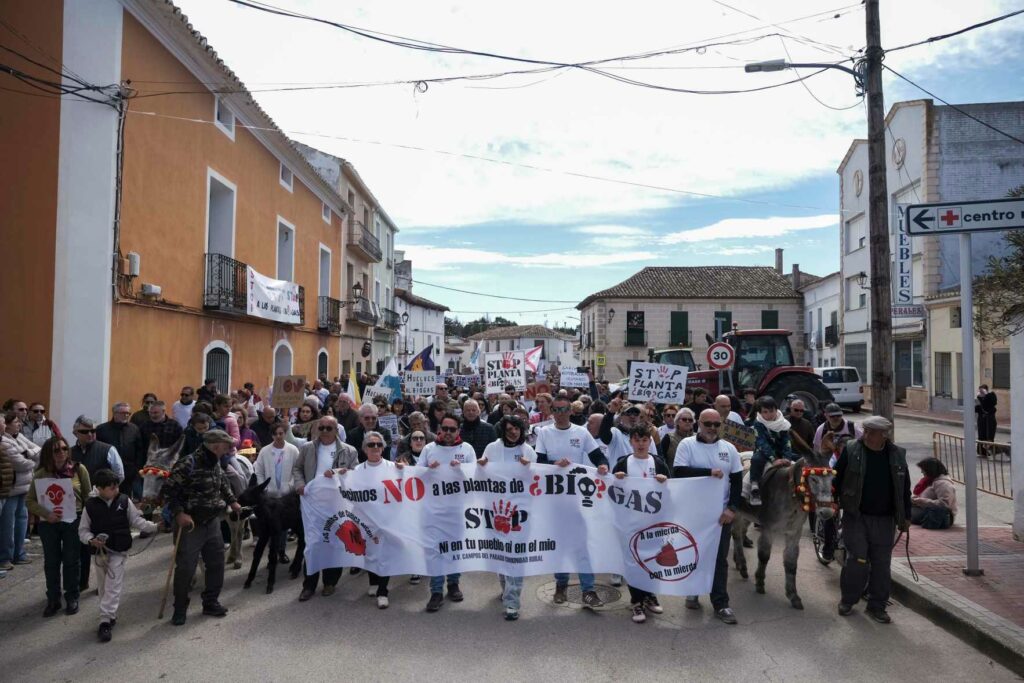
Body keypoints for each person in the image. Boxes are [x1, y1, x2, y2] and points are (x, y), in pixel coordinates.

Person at [535, 395, 609, 608]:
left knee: (582, 544)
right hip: (555, 499)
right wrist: (554, 463)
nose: (559, 414)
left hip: (579, 498)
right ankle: (561, 585)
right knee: (560, 544)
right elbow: (539, 462)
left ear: (570, 411)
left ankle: (588, 590)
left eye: (563, 409)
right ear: (551, 411)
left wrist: (603, 465)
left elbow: (597, 456)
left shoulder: (581, 432)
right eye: (555, 410)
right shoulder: (544, 433)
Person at [835, 416, 911, 623]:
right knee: (857, 560)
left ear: (883, 435)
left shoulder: (897, 455)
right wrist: (834, 502)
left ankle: (877, 606)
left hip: (885, 520)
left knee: (881, 564)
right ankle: (848, 600)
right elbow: (837, 478)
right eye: (866, 431)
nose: (866, 435)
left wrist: (906, 517)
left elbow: (904, 488)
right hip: (856, 516)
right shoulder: (851, 450)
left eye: (871, 432)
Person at [162, 429, 242, 626]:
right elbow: (168, 492)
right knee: (186, 569)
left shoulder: (215, 461)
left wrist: (232, 501)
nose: (228, 450)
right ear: (215, 445)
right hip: (191, 526)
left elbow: (222, 482)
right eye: (226, 446)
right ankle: (180, 609)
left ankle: (211, 602)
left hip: (212, 522)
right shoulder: (187, 464)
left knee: (216, 563)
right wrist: (179, 513)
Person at [673, 409, 743, 624]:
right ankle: (693, 591)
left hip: (720, 516)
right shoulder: (687, 445)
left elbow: (737, 481)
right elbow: (679, 472)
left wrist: (731, 508)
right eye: (707, 424)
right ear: (698, 424)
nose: (712, 428)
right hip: (694, 514)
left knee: (719, 559)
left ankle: (721, 603)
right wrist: (707, 472)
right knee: (694, 555)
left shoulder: (729, 449)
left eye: (716, 424)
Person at [78, 468, 158, 641]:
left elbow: (137, 521)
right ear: (99, 488)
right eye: (111, 488)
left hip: (119, 551)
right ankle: (109, 615)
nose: (116, 490)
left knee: (113, 584)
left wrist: (155, 527)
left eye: (116, 487)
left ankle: (105, 620)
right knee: (102, 585)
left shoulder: (123, 500)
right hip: (100, 552)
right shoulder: (90, 506)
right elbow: (82, 531)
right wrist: (91, 539)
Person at [327, 431, 402, 609]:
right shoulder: (357, 471)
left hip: (387, 520)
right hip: (365, 521)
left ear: (383, 448)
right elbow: (346, 492)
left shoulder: (393, 467)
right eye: (371, 445)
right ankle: (373, 582)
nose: (375, 448)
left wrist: (404, 471)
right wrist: (339, 476)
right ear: (364, 449)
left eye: (378, 444)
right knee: (369, 553)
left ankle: (383, 591)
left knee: (384, 556)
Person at [292, 416, 359, 601]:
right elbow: (297, 469)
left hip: (337, 504)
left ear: (336, 430)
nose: (324, 431)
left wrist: (340, 473)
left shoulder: (349, 451)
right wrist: (300, 484)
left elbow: (355, 474)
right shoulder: (307, 448)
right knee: (313, 544)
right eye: (321, 428)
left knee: (334, 542)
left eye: (329, 428)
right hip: (312, 505)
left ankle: (330, 582)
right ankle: (309, 585)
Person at [418, 413, 478, 612]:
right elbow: (416, 477)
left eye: (453, 429)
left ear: (458, 431)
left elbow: (476, 477)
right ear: (440, 429)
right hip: (433, 510)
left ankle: (453, 583)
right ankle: (436, 590)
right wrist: (428, 471)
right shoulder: (429, 449)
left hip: (457, 510)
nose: (448, 433)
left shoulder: (467, 449)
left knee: (454, 549)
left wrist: (462, 471)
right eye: (445, 429)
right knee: (434, 550)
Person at [478, 415, 535, 620]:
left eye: (517, 429)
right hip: (496, 510)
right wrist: (481, 466)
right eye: (509, 429)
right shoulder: (492, 448)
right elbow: (481, 476)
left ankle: (512, 602)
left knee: (516, 555)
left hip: (520, 512)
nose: (513, 432)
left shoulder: (527, 450)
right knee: (501, 553)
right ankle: (506, 589)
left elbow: (536, 480)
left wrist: (530, 468)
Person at [27, 436, 90, 616]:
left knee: (72, 560)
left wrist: (88, 520)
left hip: (73, 521)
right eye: (56, 450)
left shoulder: (79, 470)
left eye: (64, 449)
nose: (61, 452)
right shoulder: (40, 474)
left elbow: (88, 496)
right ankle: (53, 599)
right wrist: (46, 513)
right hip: (49, 524)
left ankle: (72, 597)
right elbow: (29, 500)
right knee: (52, 562)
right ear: (49, 453)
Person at [613, 425, 669, 623]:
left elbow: (671, 492)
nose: (641, 444)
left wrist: (665, 481)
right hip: (630, 524)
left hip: (653, 524)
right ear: (631, 442)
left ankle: (650, 595)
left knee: (652, 560)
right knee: (633, 563)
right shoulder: (623, 463)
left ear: (650, 442)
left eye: (644, 440)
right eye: (637, 440)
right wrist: (616, 479)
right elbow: (612, 494)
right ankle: (636, 602)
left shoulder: (659, 463)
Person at [70, 415, 124, 590]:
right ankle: (81, 581)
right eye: (85, 432)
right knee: (82, 545)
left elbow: (119, 475)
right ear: (75, 433)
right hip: (78, 506)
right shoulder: (70, 453)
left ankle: (104, 582)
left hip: (103, 504)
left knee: (104, 544)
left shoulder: (107, 449)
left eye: (93, 431)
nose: (90, 434)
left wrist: (105, 492)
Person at [254, 423, 299, 563]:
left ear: (285, 433)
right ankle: (271, 554)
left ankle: (281, 551)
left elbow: (297, 470)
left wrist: (290, 486)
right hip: (269, 496)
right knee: (269, 526)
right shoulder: (265, 451)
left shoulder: (293, 450)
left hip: (286, 495)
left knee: (283, 525)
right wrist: (263, 488)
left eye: (281, 433)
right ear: (272, 435)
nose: (278, 436)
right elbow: (259, 471)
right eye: (276, 434)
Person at [1, 412, 41, 570]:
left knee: (22, 521)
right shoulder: (4, 440)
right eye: (15, 422)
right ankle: (5, 556)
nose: (19, 424)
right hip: (11, 488)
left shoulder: (19, 437)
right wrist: (32, 458)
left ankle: (19, 553)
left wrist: (28, 454)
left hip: (24, 486)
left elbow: (38, 449)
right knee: (7, 525)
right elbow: (20, 464)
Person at [748, 397, 793, 506]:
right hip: (764, 452)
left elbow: (786, 441)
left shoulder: (784, 423)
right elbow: (762, 442)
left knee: (799, 462)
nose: (769, 414)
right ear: (760, 412)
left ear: (776, 410)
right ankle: (754, 488)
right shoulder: (758, 424)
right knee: (756, 459)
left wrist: (787, 457)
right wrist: (774, 459)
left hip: (780, 451)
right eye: (765, 412)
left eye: (771, 411)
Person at [97, 402, 145, 501]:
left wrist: (136, 468)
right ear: (114, 413)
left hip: (129, 474)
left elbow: (140, 450)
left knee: (124, 502)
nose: (126, 415)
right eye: (123, 413)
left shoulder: (134, 429)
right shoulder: (102, 429)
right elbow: (98, 449)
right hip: (107, 474)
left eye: (128, 413)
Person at [910, 457, 957, 529]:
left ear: (930, 470)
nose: (922, 472)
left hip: (938, 515)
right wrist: (917, 499)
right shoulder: (933, 480)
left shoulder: (943, 484)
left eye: (923, 470)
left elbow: (944, 504)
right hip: (926, 509)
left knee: (903, 513)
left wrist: (921, 501)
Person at [975, 385, 998, 454]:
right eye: (980, 390)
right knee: (981, 435)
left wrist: (986, 395)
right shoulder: (979, 397)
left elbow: (993, 403)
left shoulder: (991, 395)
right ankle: (981, 451)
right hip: (982, 418)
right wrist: (980, 398)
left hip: (990, 418)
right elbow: (977, 408)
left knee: (989, 436)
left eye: (982, 390)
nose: (981, 392)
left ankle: (992, 451)